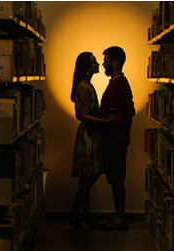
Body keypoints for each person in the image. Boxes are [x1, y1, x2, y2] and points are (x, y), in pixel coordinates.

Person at [67, 52, 114, 230]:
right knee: (91, 175)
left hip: (91, 133)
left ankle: (85, 214)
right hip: (88, 135)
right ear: (86, 67)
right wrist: (106, 122)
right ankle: (74, 212)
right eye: (94, 62)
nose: (99, 65)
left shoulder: (87, 85)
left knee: (87, 176)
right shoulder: (84, 87)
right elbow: (83, 116)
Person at [98, 45, 134, 231]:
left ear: (114, 62)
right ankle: (118, 216)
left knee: (117, 178)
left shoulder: (117, 84)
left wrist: (97, 121)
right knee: (116, 177)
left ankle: (120, 218)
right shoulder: (120, 82)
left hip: (115, 139)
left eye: (106, 60)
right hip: (118, 137)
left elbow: (115, 115)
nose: (103, 63)